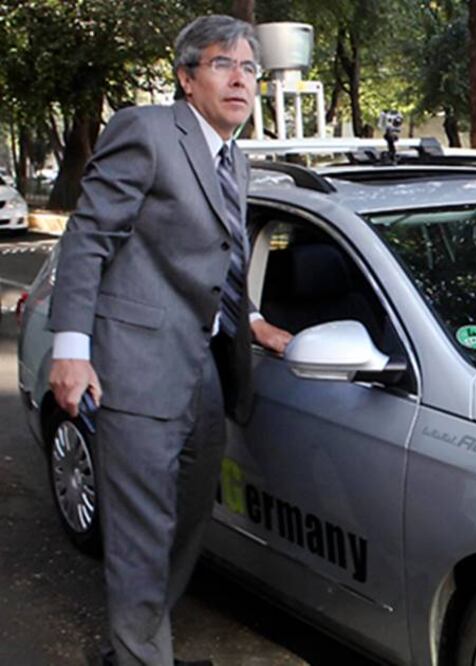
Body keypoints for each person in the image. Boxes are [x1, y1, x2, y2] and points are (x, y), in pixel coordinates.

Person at [46, 15, 292, 666]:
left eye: (249, 69)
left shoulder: (232, 159)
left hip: (202, 368)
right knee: (140, 531)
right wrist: (71, 348)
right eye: (222, 64)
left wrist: (256, 320)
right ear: (187, 78)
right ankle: (140, 656)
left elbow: (222, 258)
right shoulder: (149, 132)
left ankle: (137, 642)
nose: (239, 79)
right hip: (135, 367)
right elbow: (87, 238)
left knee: (185, 518)